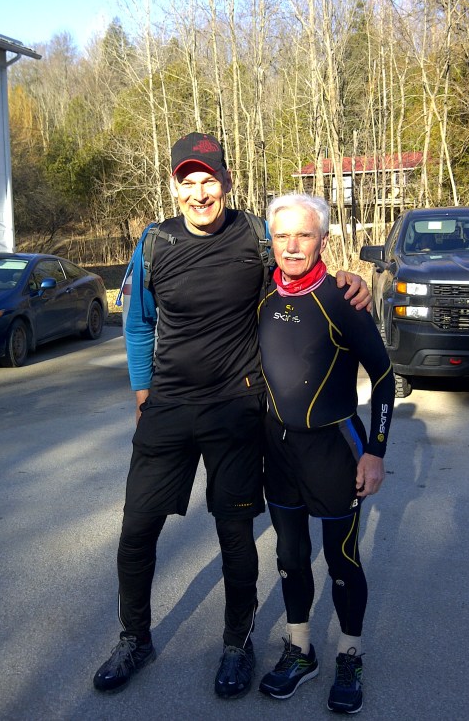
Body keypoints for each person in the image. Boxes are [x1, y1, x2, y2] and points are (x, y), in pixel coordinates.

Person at [93, 133, 371, 699]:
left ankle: (237, 645)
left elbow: (300, 263)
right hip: (169, 409)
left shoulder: (254, 236)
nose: (199, 193)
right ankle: (134, 638)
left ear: (226, 182)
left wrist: (348, 278)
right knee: (137, 530)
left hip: (236, 409)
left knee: (235, 535)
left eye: (209, 181)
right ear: (176, 187)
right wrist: (143, 393)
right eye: (188, 183)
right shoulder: (154, 243)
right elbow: (138, 322)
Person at [257, 192, 394, 713]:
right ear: (271, 239)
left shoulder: (342, 298)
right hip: (278, 449)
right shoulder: (261, 294)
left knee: (341, 560)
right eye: (282, 235)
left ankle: (350, 655)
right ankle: (300, 651)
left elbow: (384, 377)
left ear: (323, 239)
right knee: (290, 558)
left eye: (304, 235)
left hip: (335, 449)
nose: (292, 246)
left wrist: (375, 452)